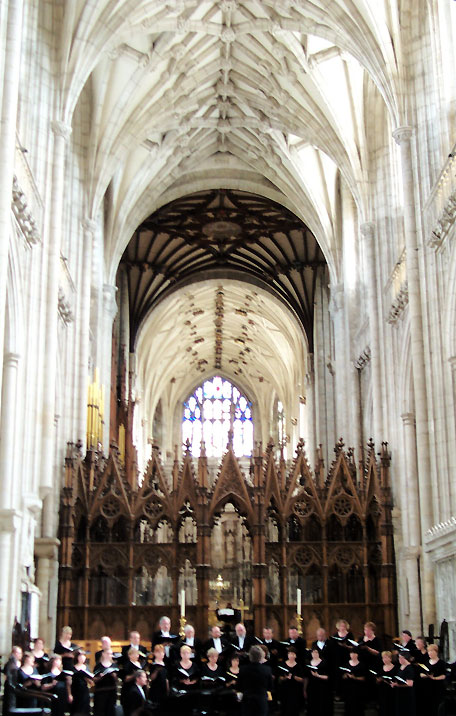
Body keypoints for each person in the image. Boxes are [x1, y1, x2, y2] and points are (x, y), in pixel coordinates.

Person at [237, 645, 273, 716]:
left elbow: (238, 686)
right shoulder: (267, 669)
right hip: (261, 701)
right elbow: (270, 687)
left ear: (250, 656)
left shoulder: (243, 669)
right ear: (260, 656)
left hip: (247, 702)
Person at [418, 644, 447, 716]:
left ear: (436, 652)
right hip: (427, 687)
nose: (429, 653)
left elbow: (443, 676)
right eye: (428, 651)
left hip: (438, 688)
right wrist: (426, 676)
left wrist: (434, 678)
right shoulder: (426, 663)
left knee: (438, 707)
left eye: (431, 651)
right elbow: (421, 674)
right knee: (428, 707)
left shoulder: (441, 663)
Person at [276, 646, 304, 716]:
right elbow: (279, 678)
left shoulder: (298, 666)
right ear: (287, 655)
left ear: (295, 655)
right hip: (285, 689)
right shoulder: (282, 664)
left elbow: (302, 679)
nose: (291, 655)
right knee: (284, 705)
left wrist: (294, 677)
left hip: (295, 689)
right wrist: (284, 678)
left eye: (293, 654)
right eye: (290, 654)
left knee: (294, 706)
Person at [304, 647, 332, 716]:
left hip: (322, 688)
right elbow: (306, 678)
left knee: (321, 705)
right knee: (311, 705)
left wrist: (318, 676)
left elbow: (328, 677)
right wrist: (304, 689)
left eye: (316, 652)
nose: (314, 654)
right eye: (313, 652)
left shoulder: (324, 663)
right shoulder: (308, 663)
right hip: (311, 688)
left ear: (319, 653)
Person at [92, 647, 119, 716]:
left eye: (110, 654)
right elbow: (94, 679)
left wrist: (114, 676)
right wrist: (100, 677)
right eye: (108, 653)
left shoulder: (114, 666)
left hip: (111, 691)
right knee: (100, 712)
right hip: (101, 692)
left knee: (110, 711)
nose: (109, 655)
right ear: (103, 654)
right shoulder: (98, 666)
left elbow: (117, 680)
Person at [341, 646, 366, 716]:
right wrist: (345, 676)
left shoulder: (361, 665)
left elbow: (364, 678)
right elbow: (342, 676)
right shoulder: (346, 664)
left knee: (358, 706)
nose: (352, 655)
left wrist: (355, 677)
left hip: (358, 689)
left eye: (354, 653)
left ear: (357, 654)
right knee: (348, 705)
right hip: (348, 689)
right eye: (351, 653)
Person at [391, 650, 415, 716]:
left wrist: (398, 685)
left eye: (400, 658)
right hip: (400, 693)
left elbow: (410, 684)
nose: (399, 659)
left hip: (406, 694)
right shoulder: (401, 666)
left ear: (404, 658)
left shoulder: (409, 668)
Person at [120, 647, 143, 711]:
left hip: (138, 688)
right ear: (130, 655)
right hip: (129, 689)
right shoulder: (127, 665)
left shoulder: (139, 664)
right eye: (135, 654)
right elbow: (125, 678)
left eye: (137, 654)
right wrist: (134, 675)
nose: (137, 656)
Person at [70, 649, 93, 715]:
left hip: (84, 690)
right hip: (75, 690)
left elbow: (91, 681)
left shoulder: (86, 668)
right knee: (76, 710)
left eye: (84, 656)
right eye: (80, 656)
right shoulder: (72, 668)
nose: (82, 658)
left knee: (84, 709)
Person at [375, 650, 397, 716]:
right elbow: (377, 680)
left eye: (386, 657)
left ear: (390, 658)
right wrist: (379, 680)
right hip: (382, 690)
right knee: (383, 707)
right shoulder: (380, 668)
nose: (384, 659)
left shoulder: (395, 668)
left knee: (391, 707)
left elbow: (396, 680)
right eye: (383, 658)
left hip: (392, 691)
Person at [2, 645, 23, 716]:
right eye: (19, 653)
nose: (21, 655)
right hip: (11, 688)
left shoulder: (17, 663)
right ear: (14, 653)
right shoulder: (11, 663)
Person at [148, 644, 169, 710]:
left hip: (164, 689)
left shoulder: (166, 664)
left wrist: (168, 689)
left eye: (162, 652)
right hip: (155, 689)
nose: (161, 654)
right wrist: (156, 670)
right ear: (154, 653)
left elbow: (167, 678)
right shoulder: (152, 665)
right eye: (159, 652)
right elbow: (151, 678)